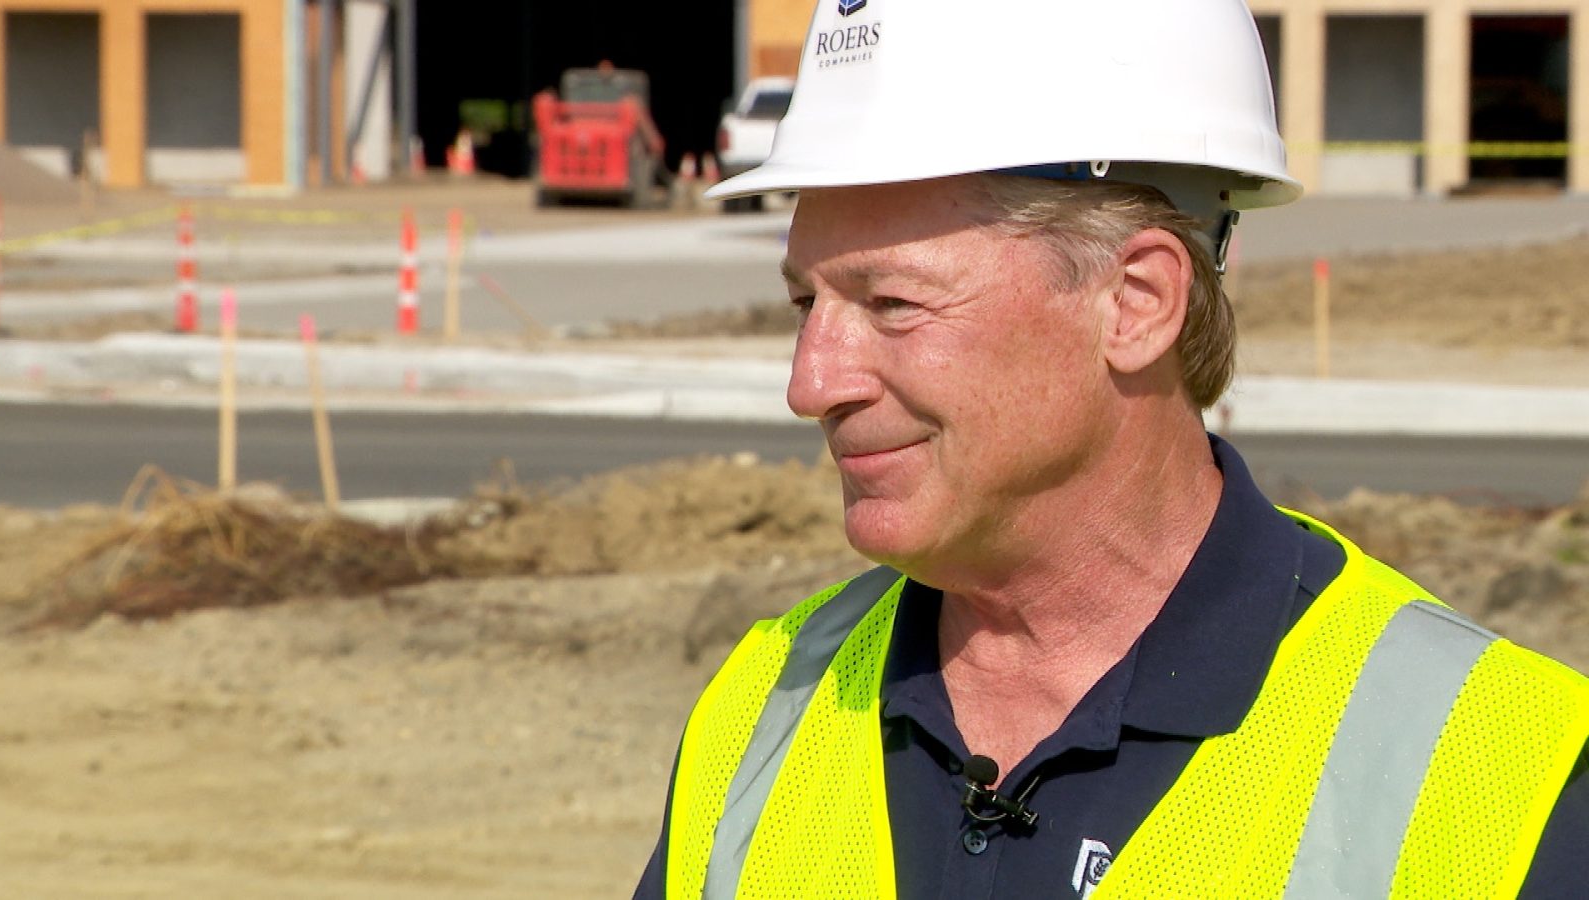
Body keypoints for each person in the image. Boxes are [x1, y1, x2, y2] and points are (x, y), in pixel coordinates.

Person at [635, 0, 1589, 896]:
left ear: (1135, 303)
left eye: (893, 304)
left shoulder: (1499, 767)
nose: (811, 383)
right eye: (809, 304)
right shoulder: (764, 708)